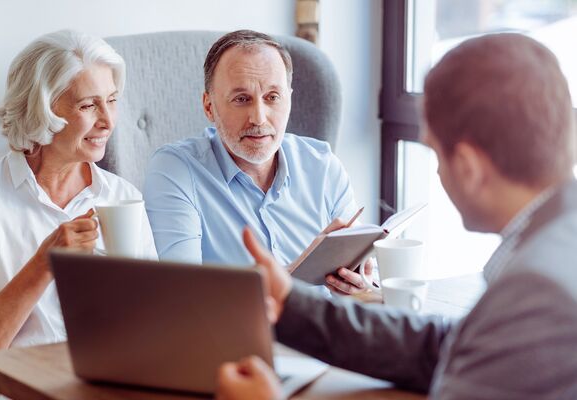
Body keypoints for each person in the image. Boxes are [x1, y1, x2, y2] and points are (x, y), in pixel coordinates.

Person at [216, 33, 577, 399]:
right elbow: (448, 347)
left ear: (468, 167)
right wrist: (292, 305)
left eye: (435, 154)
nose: (437, 173)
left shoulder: (537, 290)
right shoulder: (559, 239)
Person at [0, 30, 157, 399]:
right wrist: (44, 264)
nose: (108, 121)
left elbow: (155, 330)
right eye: (89, 105)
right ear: (43, 109)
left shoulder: (123, 198)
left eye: (113, 101)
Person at [144, 30, 366, 295]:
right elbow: (183, 297)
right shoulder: (175, 170)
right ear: (209, 107)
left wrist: (358, 280)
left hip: (326, 332)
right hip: (231, 336)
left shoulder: (323, 166)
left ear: (289, 99)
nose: (259, 118)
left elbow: (361, 284)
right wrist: (304, 270)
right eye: (241, 99)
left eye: (272, 97)